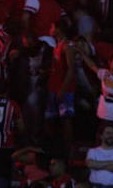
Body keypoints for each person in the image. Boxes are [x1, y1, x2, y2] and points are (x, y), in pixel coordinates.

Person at [45, 18, 76, 156]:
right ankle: (52, 146)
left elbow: (71, 69)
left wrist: (63, 89)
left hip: (64, 90)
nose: (50, 29)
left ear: (58, 29)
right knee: (51, 118)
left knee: (66, 118)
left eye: (52, 27)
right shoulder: (57, 46)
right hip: (53, 87)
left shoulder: (67, 46)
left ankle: (67, 149)